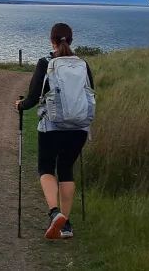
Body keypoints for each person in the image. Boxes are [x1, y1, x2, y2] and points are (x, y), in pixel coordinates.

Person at [16, 23, 94, 241]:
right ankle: (66, 226)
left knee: (46, 168)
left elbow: (32, 99)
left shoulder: (45, 63)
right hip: (79, 127)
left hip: (52, 126)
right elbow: (89, 94)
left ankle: (54, 212)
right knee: (66, 169)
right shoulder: (83, 64)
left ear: (51, 40)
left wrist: (20, 105)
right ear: (71, 39)